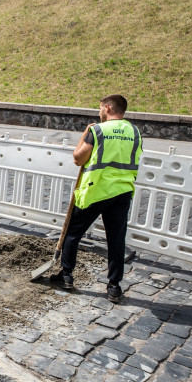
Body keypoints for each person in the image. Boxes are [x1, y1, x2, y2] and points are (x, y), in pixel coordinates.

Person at [50, 94, 143, 303]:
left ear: (108, 108)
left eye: (100, 108)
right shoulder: (134, 132)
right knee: (116, 240)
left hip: (96, 191)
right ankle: (114, 286)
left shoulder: (98, 130)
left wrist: (86, 133)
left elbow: (78, 158)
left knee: (73, 232)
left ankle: (66, 275)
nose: (99, 112)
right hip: (122, 192)